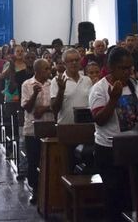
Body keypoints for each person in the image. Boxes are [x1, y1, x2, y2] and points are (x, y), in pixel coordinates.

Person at [89, 47, 138, 220]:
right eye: (123, 68)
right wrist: (113, 99)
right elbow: (99, 120)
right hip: (109, 150)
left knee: (134, 195)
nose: (128, 72)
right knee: (114, 196)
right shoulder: (99, 89)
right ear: (111, 67)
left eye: (130, 68)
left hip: (135, 148)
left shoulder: (137, 86)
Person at [20, 58, 54, 203]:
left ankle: (50, 189)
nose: (49, 71)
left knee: (49, 161)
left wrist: (45, 108)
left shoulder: (53, 84)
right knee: (33, 161)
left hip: (49, 127)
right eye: (46, 69)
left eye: (49, 68)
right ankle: (35, 189)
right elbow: (27, 107)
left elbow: (58, 104)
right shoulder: (27, 84)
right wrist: (34, 94)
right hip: (32, 129)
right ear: (38, 71)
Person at [50, 47, 93, 124]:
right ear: (64, 64)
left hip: (86, 126)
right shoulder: (57, 81)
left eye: (77, 60)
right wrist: (61, 90)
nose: (74, 63)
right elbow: (55, 109)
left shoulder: (87, 80)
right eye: (70, 61)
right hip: (66, 127)